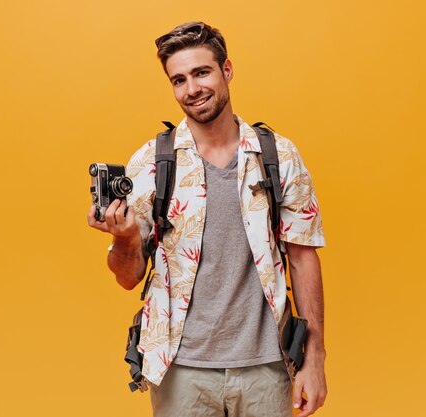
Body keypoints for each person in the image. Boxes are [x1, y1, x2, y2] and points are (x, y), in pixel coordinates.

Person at [88, 21, 327, 417]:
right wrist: (126, 237)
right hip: (181, 371)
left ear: (227, 70)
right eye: (179, 79)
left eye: (202, 72)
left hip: (267, 366)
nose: (192, 89)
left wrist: (315, 357)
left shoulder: (279, 156)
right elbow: (128, 276)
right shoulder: (151, 163)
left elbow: (303, 259)